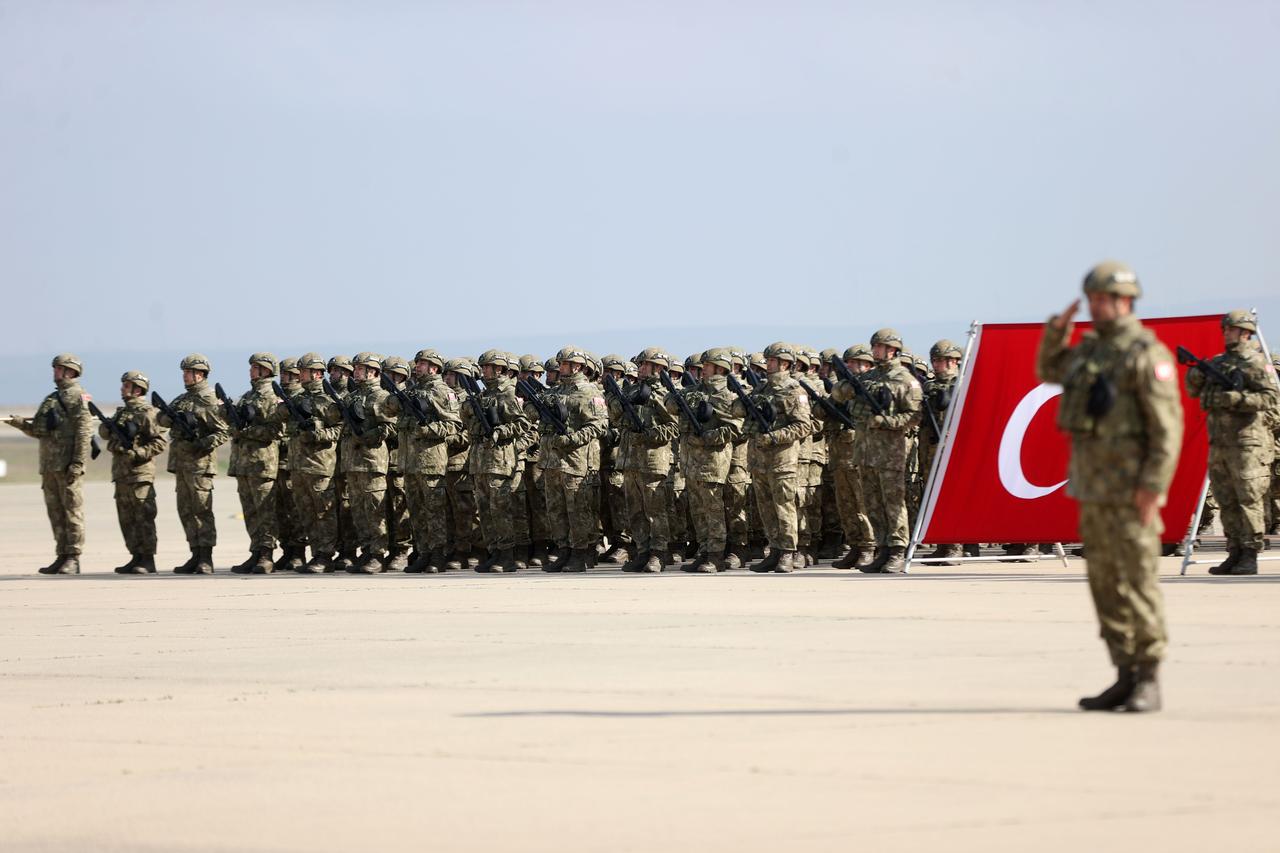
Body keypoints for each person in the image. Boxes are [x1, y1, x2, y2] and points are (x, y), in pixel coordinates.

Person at [1037, 260, 1183, 712]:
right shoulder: (1089, 352)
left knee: (1138, 582)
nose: (1096, 307)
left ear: (1126, 301)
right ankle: (1124, 672)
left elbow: (1167, 429)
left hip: (1131, 491)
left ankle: (1149, 677)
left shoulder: (1145, 354)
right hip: (1093, 489)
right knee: (1104, 584)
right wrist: (1056, 332)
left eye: (1104, 299)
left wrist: (1152, 488)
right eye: (1093, 299)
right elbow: (1049, 370)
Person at [1185, 310, 1279, 575]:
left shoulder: (1256, 363)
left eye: (1232, 329)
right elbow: (1193, 392)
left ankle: (1249, 554)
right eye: (1225, 329)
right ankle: (1234, 551)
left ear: (1246, 333)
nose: (1226, 333)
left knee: (1248, 498)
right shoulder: (1218, 363)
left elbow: (1271, 399)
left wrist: (1238, 399)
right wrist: (1196, 375)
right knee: (1226, 500)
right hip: (1220, 442)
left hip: (1247, 443)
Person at [4, 353, 95, 574]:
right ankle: (61, 554)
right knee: (55, 512)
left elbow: (84, 432)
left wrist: (77, 463)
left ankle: (73, 558)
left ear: (70, 371)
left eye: (59, 368)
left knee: (72, 512)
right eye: (55, 368)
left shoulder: (78, 397)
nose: (55, 372)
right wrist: (20, 423)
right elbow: (39, 431)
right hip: (49, 466)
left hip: (67, 466)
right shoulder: (52, 399)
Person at [845, 329, 923, 574]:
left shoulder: (905, 379)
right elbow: (841, 397)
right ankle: (883, 548)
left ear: (893, 350)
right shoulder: (868, 377)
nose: (875, 351)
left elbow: (914, 415)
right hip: (865, 451)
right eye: (874, 346)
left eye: (879, 347)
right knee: (873, 503)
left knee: (893, 503)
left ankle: (898, 550)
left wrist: (886, 422)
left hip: (889, 452)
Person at [665, 348, 745, 572]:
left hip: (712, 461)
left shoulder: (726, 396)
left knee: (713, 510)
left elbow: (736, 428)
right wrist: (675, 399)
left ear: (720, 368)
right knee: (698, 510)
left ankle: (716, 555)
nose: (704, 369)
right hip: (691, 461)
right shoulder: (694, 392)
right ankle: (703, 551)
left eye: (707, 365)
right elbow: (670, 404)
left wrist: (708, 437)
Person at [384, 348, 462, 574]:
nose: (417, 366)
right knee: (416, 511)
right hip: (409, 462)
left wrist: (427, 429)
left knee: (434, 511)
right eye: (417, 363)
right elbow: (388, 407)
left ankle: (438, 555)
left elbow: (454, 425)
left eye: (423, 364)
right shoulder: (411, 390)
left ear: (434, 368)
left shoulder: (442, 391)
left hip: (430, 461)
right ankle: (423, 552)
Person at [156, 354, 230, 574]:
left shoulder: (208, 399)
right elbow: (161, 419)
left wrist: (201, 443)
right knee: (186, 510)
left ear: (200, 374)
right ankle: (195, 553)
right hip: (181, 464)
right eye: (184, 372)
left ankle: (206, 557)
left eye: (189, 372)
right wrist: (171, 417)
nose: (185, 376)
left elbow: (223, 431)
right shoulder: (182, 399)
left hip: (200, 465)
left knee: (201, 510)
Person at [744, 342, 814, 573]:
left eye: (773, 361)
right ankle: (774, 550)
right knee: (765, 508)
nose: (768, 364)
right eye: (768, 360)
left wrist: (774, 437)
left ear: (785, 364)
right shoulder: (761, 389)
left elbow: (803, 426)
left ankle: (787, 552)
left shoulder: (794, 390)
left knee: (784, 507)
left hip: (782, 459)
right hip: (759, 459)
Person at [461, 350, 532, 573]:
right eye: (482, 367)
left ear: (499, 369)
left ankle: (507, 555)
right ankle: (494, 552)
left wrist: (500, 431)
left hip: (500, 461)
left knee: (500, 510)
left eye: (487, 367)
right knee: (484, 510)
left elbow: (523, 424)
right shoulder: (482, 394)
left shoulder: (508, 394)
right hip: (480, 460)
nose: (484, 371)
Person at [539, 346, 609, 573]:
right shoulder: (556, 391)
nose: (560, 368)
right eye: (560, 364)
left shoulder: (589, 392)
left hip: (576, 461)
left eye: (565, 364)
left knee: (577, 510)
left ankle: (580, 553)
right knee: (555, 509)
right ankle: (564, 551)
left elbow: (599, 425)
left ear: (577, 366)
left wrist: (572, 439)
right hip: (551, 460)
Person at [275, 353, 345, 573]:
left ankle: (326, 555)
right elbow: (280, 417)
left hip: (319, 465)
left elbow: (340, 429)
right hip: (297, 465)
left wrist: (317, 433)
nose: (300, 375)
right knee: (306, 513)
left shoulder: (328, 400)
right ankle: (316, 553)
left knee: (323, 512)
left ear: (316, 373)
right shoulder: (297, 398)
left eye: (304, 371)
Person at [98, 371, 167, 574]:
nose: (122, 389)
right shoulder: (122, 413)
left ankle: (147, 559)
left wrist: (138, 453)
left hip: (139, 474)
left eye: (126, 386)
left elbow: (159, 442)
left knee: (143, 517)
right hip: (121, 473)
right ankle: (135, 556)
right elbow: (106, 434)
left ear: (138, 390)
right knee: (126, 518)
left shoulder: (147, 413)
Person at [228, 352, 284, 574]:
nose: (251, 371)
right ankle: (256, 551)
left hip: (262, 463)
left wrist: (247, 431)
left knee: (265, 511)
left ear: (266, 370)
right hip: (243, 463)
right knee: (250, 511)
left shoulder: (273, 397)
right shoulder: (247, 396)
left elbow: (276, 430)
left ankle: (266, 555)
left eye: (255, 367)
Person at [340, 352, 394, 573]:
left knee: (374, 510)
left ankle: (378, 555)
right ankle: (366, 551)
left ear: (373, 372)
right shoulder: (352, 397)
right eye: (355, 368)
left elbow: (390, 426)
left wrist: (368, 435)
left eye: (360, 368)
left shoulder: (381, 397)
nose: (356, 372)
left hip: (371, 461)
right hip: (352, 462)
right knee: (358, 511)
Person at [829, 345, 878, 569]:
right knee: (845, 504)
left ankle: (869, 546)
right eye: (849, 363)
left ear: (867, 365)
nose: (851, 366)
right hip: (839, 455)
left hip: (861, 454)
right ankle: (855, 545)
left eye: (856, 363)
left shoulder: (871, 387)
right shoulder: (844, 388)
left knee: (862, 504)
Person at [919, 339, 965, 564]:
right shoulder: (928, 386)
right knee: (932, 498)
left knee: (951, 497)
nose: (937, 364)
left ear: (954, 361)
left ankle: (955, 546)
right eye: (935, 360)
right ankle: (942, 544)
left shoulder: (963, 384)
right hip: (929, 449)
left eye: (942, 360)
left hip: (952, 449)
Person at [272, 357, 309, 572]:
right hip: (275, 461)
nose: (285, 378)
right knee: (280, 511)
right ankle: (287, 549)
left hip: (292, 460)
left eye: (289, 374)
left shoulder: (301, 398)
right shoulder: (277, 397)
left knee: (295, 510)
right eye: (283, 374)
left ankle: (298, 552)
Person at [380, 356, 414, 571]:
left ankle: (401, 550)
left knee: (400, 507)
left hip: (399, 460)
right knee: (385, 509)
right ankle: (390, 548)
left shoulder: (406, 397)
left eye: (389, 374)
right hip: (382, 461)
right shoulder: (385, 397)